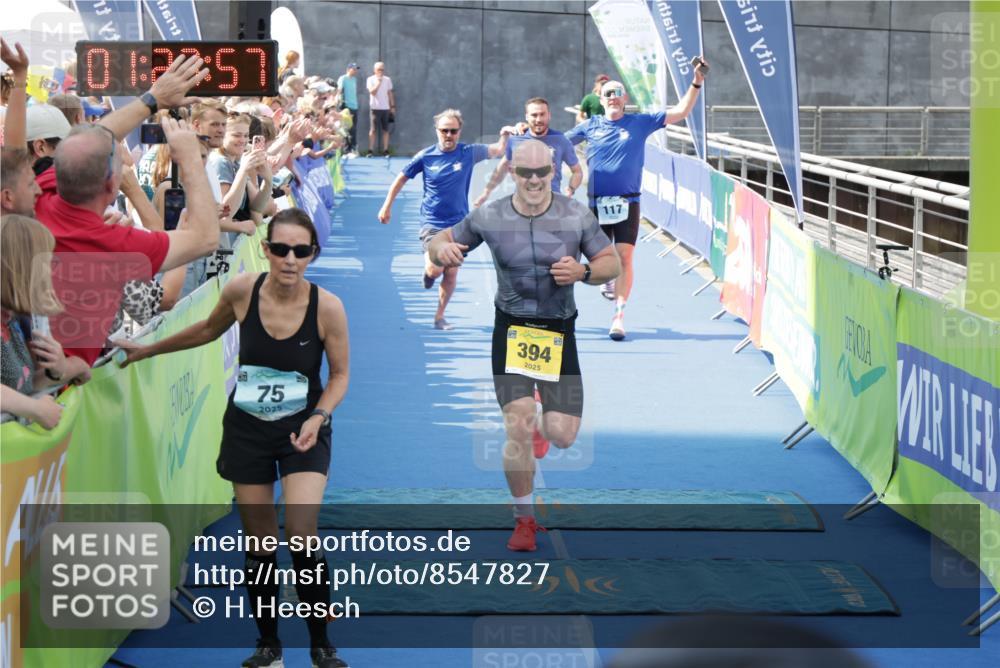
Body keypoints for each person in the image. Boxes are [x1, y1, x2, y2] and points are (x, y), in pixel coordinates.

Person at [116, 208, 350, 668]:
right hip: (248, 428)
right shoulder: (243, 290)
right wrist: (147, 349)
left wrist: (319, 415)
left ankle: (322, 643)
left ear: (312, 254)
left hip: (303, 428)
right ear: (265, 250)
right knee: (261, 542)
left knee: (301, 535)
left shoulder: (328, 307)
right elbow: (207, 329)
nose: (289, 259)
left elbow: (340, 375)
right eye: (280, 249)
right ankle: (269, 645)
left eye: (300, 251)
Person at [428, 140, 620, 551]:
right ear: (511, 171)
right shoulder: (489, 216)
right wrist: (439, 249)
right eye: (524, 172)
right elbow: (438, 240)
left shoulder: (575, 215)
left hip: (558, 331)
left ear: (554, 170)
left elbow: (611, 263)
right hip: (512, 330)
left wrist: (584, 271)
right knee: (516, 421)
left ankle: (541, 427)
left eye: (541, 172)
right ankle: (524, 520)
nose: (533, 181)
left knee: (562, 435)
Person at [566, 66, 706, 341]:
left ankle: (619, 316)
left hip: (628, 203)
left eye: (618, 93)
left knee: (625, 257)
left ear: (624, 97)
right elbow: (558, 141)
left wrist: (696, 83)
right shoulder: (591, 126)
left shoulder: (640, 122)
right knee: (600, 258)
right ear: (601, 98)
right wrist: (525, 133)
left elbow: (680, 112)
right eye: (609, 94)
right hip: (597, 203)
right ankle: (606, 277)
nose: (613, 98)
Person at [378, 109, 515, 330]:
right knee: (436, 269)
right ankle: (429, 273)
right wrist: (387, 206)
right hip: (432, 223)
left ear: (459, 132)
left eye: (453, 131)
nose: (448, 135)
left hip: (459, 225)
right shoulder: (426, 156)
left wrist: (504, 134)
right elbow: (401, 178)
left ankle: (439, 317)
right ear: (437, 131)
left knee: (451, 272)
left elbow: (498, 150)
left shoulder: (469, 152)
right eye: (444, 131)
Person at [1, 214, 91, 429]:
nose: (52, 268)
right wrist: (35, 409)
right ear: (23, 267)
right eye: (46, 260)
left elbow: (21, 385)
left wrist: (63, 369)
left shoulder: (11, 321)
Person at [473, 97, 583, 207]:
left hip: (551, 205)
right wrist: (486, 193)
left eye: (542, 114)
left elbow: (577, 171)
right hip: (522, 205)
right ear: (527, 117)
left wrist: (570, 190)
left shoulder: (561, 140)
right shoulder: (515, 139)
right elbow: (503, 166)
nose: (538, 119)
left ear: (549, 115)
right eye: (534, 115)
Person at [365, 61, 394, 156]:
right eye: (379, 69)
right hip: (374, 108)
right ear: (374, 70)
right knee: (373, 130)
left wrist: (392, 106)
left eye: (382, 69)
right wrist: (378, 82)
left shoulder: (387, 79)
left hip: (385, 108)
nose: (381, 71)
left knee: (386, 130)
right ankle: (370, 150)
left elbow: (390, 93)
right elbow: (372, 92)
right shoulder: (370, 79)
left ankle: (386, 150)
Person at [335, 63, 359, 155]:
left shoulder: (354, 79)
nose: (355, 70)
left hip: (355, 106)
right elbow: (339, 90)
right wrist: (337, 99)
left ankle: (352, 149)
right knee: (346, 128)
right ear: (349, 69)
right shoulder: (343, 78)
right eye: (354, 69)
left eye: (356, 69)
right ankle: (347, 150)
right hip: (346, 107)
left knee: (353, 128)